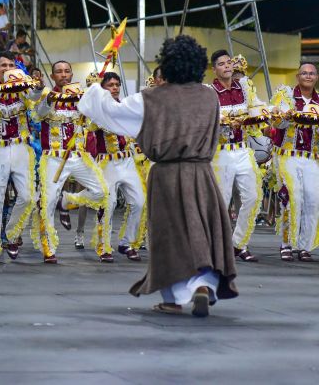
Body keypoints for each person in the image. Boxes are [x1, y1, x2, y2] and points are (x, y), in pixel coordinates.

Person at [78, 35, 238, 317]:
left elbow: (111, 115)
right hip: (201, 173)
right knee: (203, 230)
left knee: (170, 236)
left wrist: (94, 90)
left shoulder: (149, 99)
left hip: (166, 174)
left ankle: (174, 298)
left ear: (166, 65)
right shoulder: (208, 95)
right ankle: (203, 283)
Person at [33, 60, 107, 257]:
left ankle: (68, 200)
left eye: (67, 71)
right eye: (59, 72)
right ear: (53, 75)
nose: (63, 75)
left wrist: (94, 100)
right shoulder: (46, 94)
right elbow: (38, 115)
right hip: (54, 158)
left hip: (79, 156)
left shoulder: (82, 96)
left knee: (102, 192)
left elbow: (94, 122)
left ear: (72, 74)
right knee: (47, 202)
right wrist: (49, 99)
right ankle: (48, 247)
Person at [0, 52, 45, 262]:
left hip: (21, 148)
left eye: (11, 65)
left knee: (27, 197)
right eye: (3, 65)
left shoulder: (24, 84)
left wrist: (37, 88)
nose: (7, 68)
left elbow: (34, 99)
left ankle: (10, 233)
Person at [208, 50, 263, 262]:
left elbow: (257, 109)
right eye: (221, 64)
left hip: (242, 150)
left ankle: (239, 243)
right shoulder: (210, 91)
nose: (227, 66)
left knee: (253, 197)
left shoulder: (245, 87)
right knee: (221, 202)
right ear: (215, 69)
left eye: (229, 62)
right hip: (220, 154)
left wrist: (270, 112)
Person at [86, 72, 147, 262]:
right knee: (108, 204)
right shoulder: (96, 111)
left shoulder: (124, 107)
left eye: (116, 84)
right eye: (110, 85)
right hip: (107, 162)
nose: (114, 88)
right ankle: (104, 246)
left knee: (139, 201)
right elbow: (89, 127)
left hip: (127, 160)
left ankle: (127, 242)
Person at [270, 63, 319, 261]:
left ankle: (304, 247)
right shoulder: (286, 95)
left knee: (313, 200)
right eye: (304, 73)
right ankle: (287, 243)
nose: (308, 76)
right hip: (287, 154)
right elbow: (277, 123)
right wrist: (286, 116)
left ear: (316, 77)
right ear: (298, 76)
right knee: (291, 197)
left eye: (312, 73)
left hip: (311, 158)